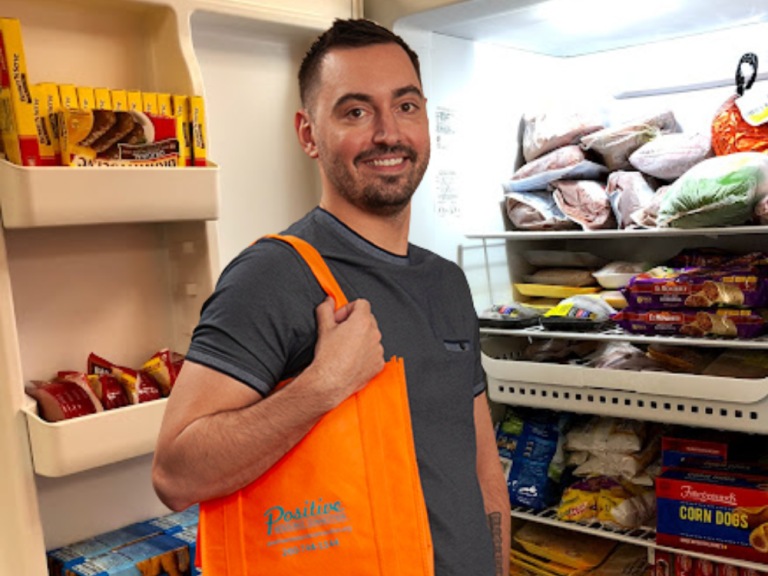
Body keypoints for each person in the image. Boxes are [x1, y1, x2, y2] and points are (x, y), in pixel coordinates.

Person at [152, 18, 510, 576]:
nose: (389, 133)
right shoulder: (275, 274)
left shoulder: (446, 282)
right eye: (355, 111)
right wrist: (323, 387)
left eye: (406, 106)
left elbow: (482, 467)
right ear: (307, 134)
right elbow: (176, 475)